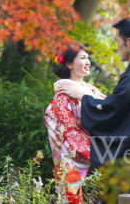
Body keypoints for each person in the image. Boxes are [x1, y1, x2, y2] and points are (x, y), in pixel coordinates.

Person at [57, 18, 130, 204]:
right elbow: (121, 108)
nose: (117, 47)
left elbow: (112, 112)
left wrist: (84, 97)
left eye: (118, 41)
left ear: (129, 42)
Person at [44, 43, 106, 204]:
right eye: (83, 58)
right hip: (73, 161)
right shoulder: (63, 96)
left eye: (88, 58)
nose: (88, 62)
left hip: (92, 157)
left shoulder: (89, 89)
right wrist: (100, 153)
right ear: (69, 64)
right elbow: (70, 133)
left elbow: (111, 110)